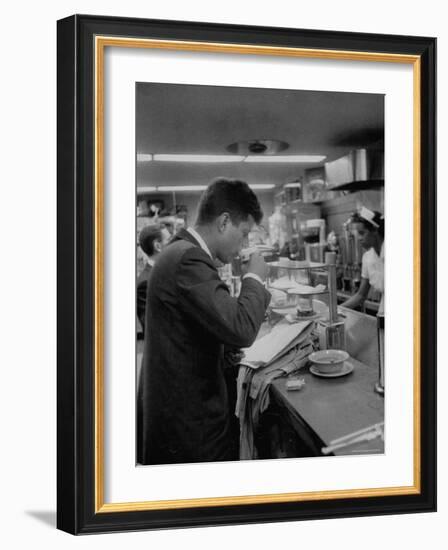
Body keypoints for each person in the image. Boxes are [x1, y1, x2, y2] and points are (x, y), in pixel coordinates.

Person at [138, 178, 271, 465]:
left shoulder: (177, 252)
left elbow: (186, 331)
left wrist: (221, 352)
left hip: (177, 419)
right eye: (244, 234)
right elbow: (240, 328)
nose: (244, 246)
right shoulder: (189, 259)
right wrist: (255, 277)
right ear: (224, 222)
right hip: (190, 431)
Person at [341, 207, 384, 313]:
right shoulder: (368, 257)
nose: (359, 238)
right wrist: (336, 310)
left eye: (362, 233)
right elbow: (360, 295)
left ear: (374, 230)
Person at [136, 224, 170, 334]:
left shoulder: (168, 271)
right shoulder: (145, 283)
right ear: (158, 246)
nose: (174, 244)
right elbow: (152, 327)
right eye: (169, 240)